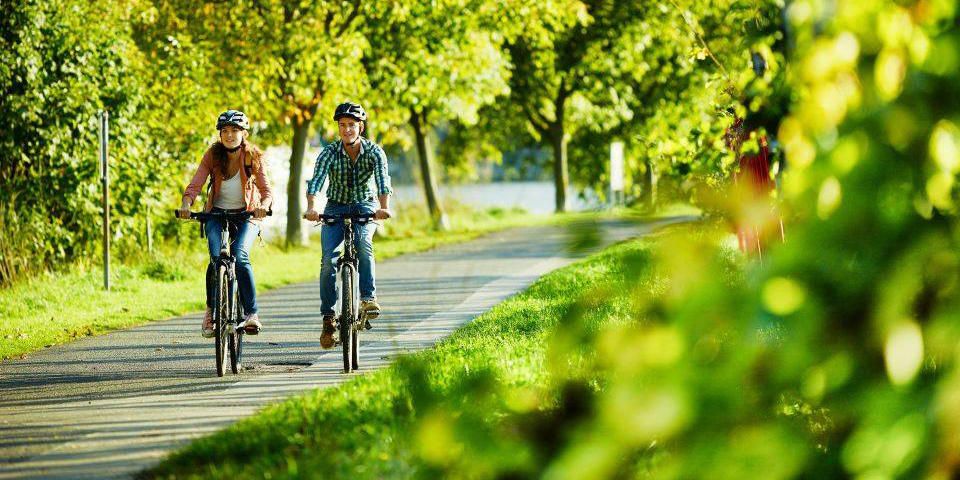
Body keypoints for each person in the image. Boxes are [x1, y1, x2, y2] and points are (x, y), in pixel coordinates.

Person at [302, 101, 393, 349]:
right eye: (342, 126)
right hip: (335, 206)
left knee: (364, 243)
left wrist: (383, 207)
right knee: (327, 260)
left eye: (351, 125)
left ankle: (367, 298)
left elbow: (383, 181)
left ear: (360, 128)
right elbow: (317, 181)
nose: (347, 130)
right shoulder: (329, 153)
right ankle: (329, 318)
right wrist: (312, 207)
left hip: (365, 205)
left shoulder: (374, 152)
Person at [177, 110, 272, 337]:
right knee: (216, 257)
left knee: (240, 256)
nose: (229, 135)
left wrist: (264, 206)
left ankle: (251, 314)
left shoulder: (253, 156)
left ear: (244, 134)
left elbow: (266, 191)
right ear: (220, 134)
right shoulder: (213, 154)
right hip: (217, 214)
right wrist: (186, 204)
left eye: (235, 131)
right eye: (225, 131)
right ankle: (211, 311)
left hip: (247, 214)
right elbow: (196, 184)